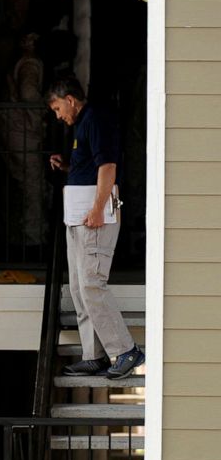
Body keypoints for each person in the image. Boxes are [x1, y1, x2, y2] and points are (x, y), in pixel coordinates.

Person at [48, 76, 145, 378]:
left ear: (70, 99)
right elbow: (92, 167)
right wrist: (67, 167)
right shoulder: (83, 124)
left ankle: (126, 351)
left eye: (57, 108)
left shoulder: (96, 119)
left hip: (93, 216)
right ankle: (94, 356)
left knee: (91, 284)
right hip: (77, 215)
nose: (58, 115)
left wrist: (98, 209)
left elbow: (108, 168)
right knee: (78, 287)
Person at [0, 32, 47, 253]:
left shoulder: (19, 64)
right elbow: (29, 94)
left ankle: (22, 236)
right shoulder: (29, 64)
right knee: (32, 184)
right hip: (24, 131)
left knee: (24, 184)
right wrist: (47, 108)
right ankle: (32, 239)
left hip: (17, 128)